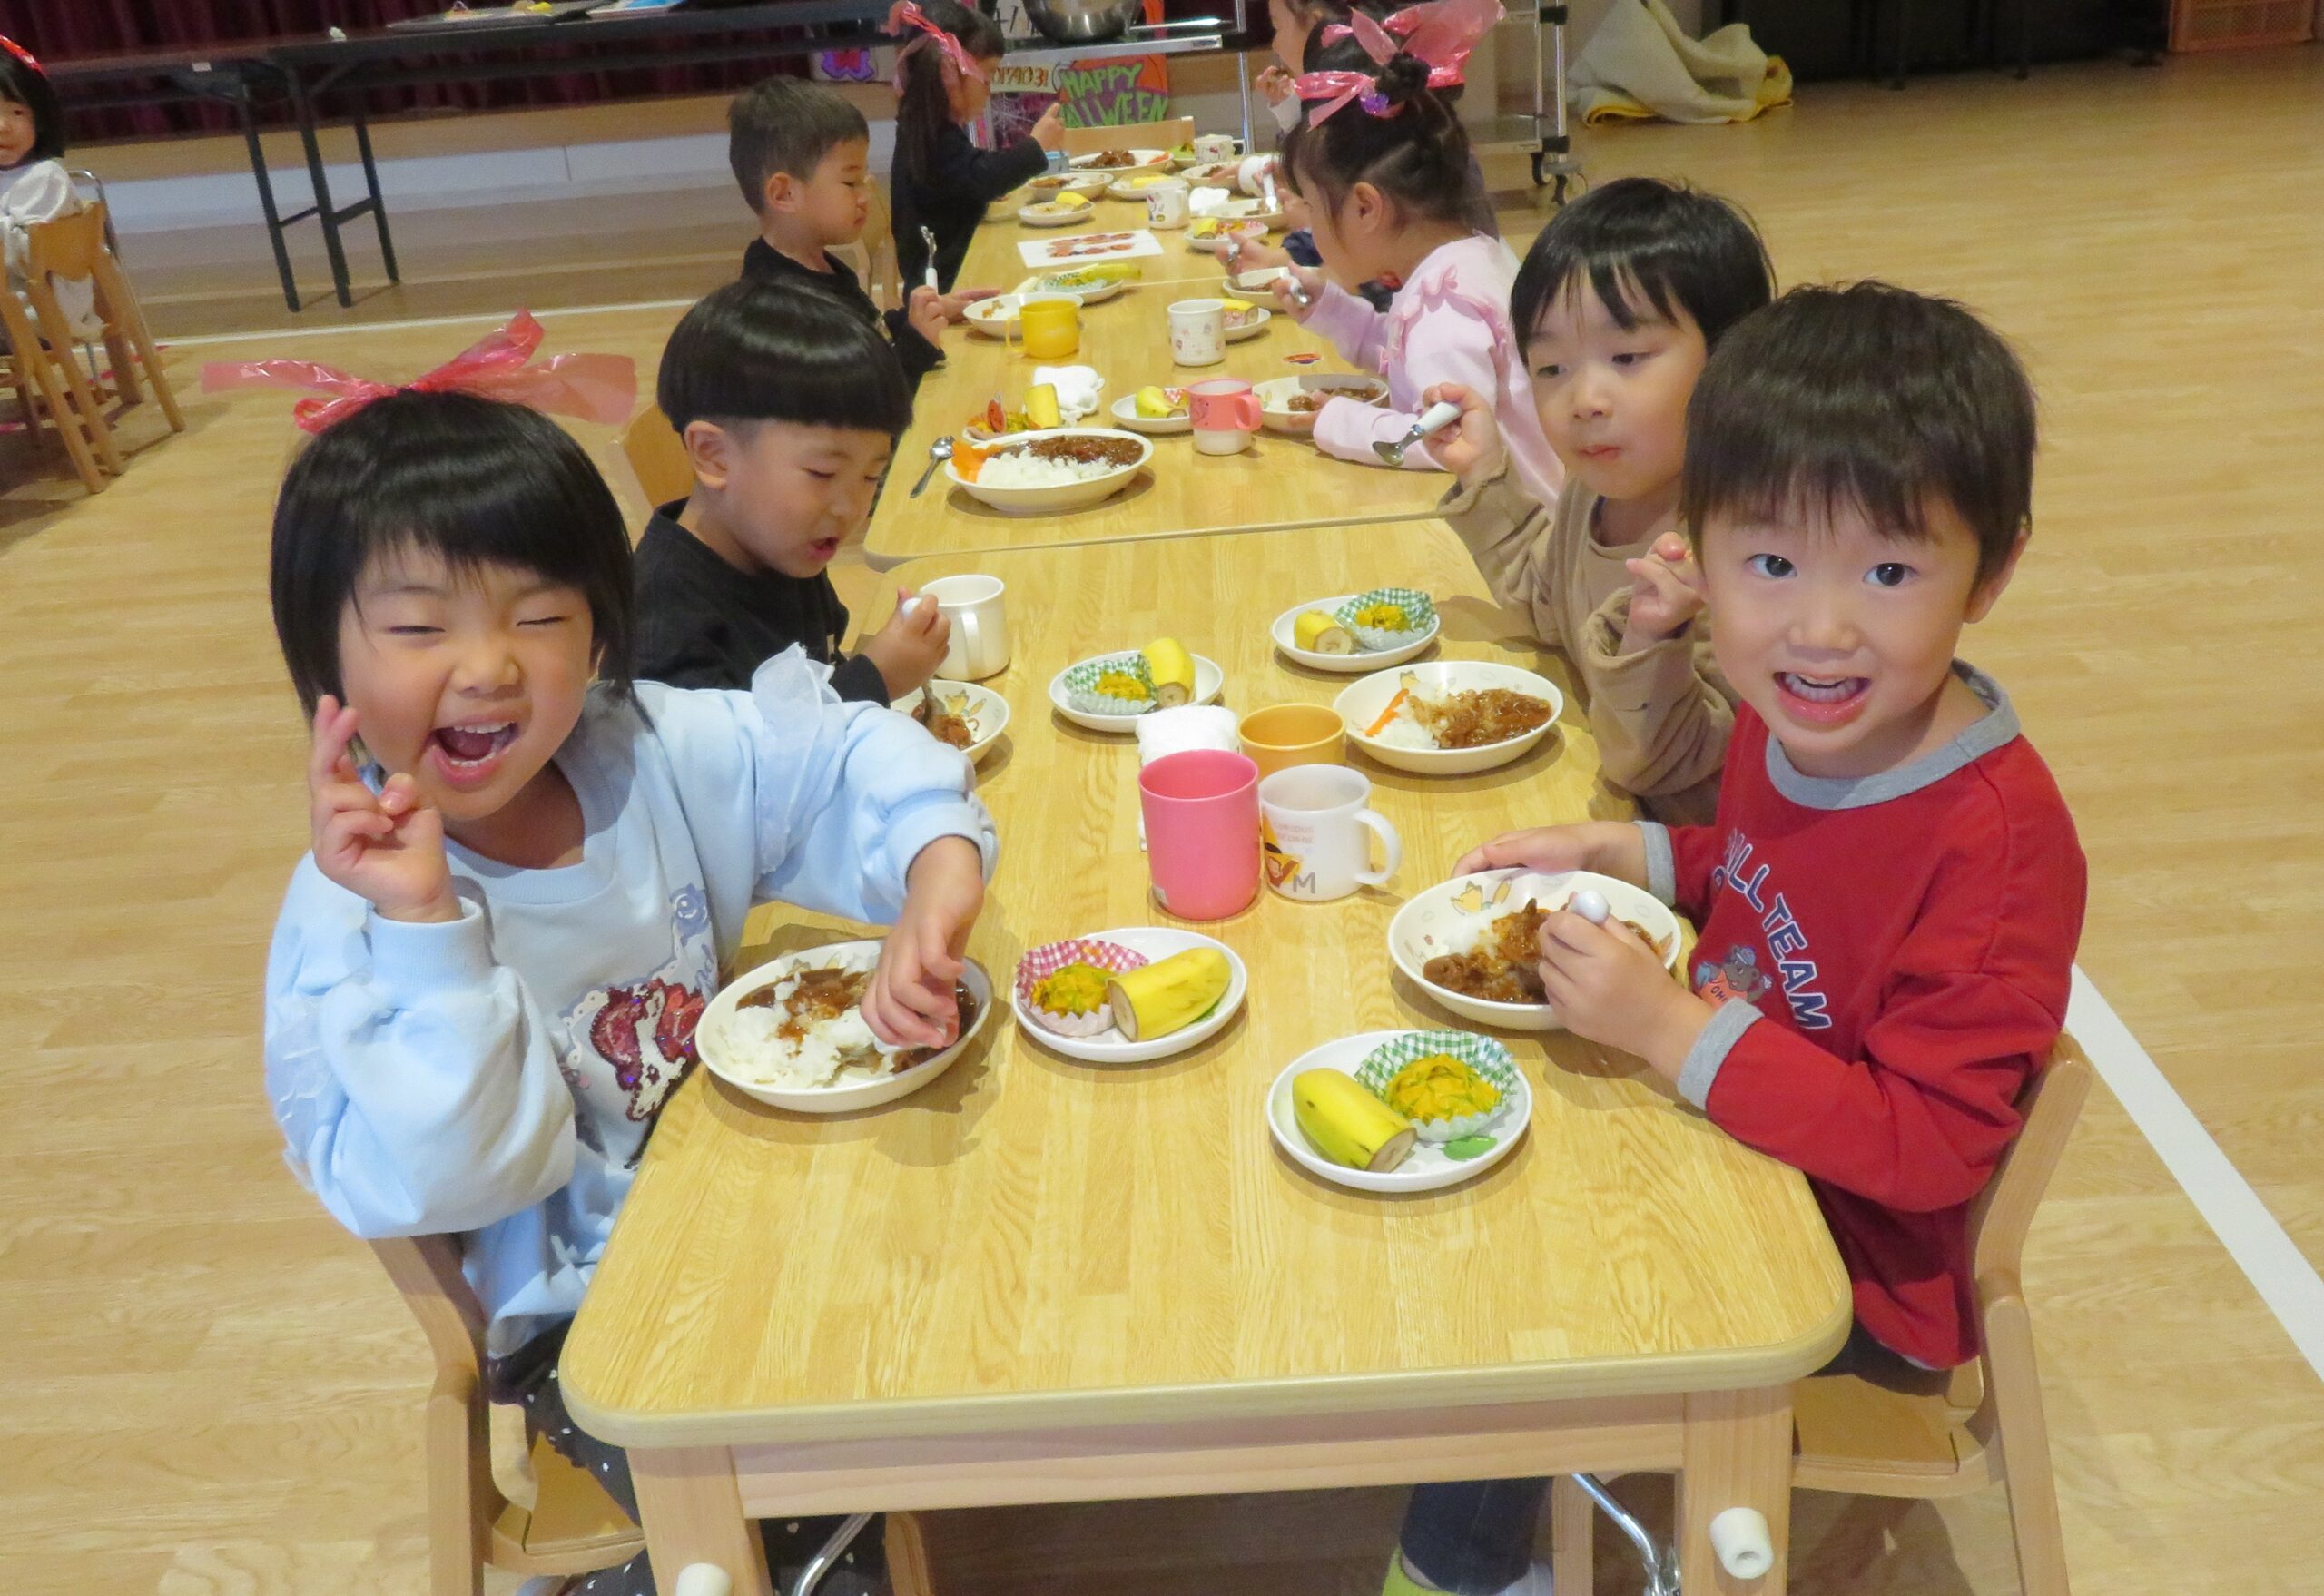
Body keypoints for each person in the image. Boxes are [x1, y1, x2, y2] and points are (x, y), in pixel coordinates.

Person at [1384, 281, 2086, 1596]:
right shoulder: (1799, 709)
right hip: (1736, 1143)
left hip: (1844, 1278)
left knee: (1515, 1306)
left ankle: (1455, 1574)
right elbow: (1761, 874)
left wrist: (1669, 1027)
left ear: (1991, 570)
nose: (1819, 628)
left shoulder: (1992, 846)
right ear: (1697, 552)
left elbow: (1928, 1148)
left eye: (1889, 571)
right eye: (1769, 566)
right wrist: (1637, 854)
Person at [261, 389, 996, 1596]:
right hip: (586, 1318)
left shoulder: (637, 746)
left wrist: (935, 860)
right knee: (808, 1517)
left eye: (540, 616)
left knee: (993, 1254)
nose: (489, 666)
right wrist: (427, 929)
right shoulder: (348, 930)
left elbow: (837, 750)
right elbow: (465, 1179)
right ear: (322, 656)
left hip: (746, 1185)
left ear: (601, 630)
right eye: (419, 625)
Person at [1423, 176, 1774, 823]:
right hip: (1614, 809)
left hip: (1706, 857)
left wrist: (1650, 635)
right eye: (1551, 368)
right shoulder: (1595, 492)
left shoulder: (1741, 553)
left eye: (1627, 356)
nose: (1584, 400)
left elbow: (1660, 763)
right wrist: (1484, 473)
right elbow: (1549, 604)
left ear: (1732, 362)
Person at [1269, 4, 1561, 505]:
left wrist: (1338, 420)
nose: (1310, 226)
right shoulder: (1468, 257)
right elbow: (1405, 355)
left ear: (1365, 208)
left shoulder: (1443, 311)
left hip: (1521, 535)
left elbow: (1443, 440)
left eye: (1313, 208)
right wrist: (1333, 310)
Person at [634, 279, 949, 702]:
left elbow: (820, 666)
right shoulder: (664, 634)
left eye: (871, 476)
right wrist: (876, 680)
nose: (849, 508)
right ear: (713, 455)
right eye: (822, 473)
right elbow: (747, 746)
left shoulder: (779, 541)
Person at [730, 74, 989, 389]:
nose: (864, 197)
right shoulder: (783, 311)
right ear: (784, 194)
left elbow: (867, 334)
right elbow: (862, 401)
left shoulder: (817, 265)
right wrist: (917, 345)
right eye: (850, 183)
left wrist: (917, 316)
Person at [1238, 0, 1497, 309]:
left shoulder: (1443, 313)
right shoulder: (1432, 272)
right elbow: (1389, 329)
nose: (1275, 44)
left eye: (1312, 206)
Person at [886, 0, 1064, 292]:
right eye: (988, 76)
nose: (989, 89)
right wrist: (1036, 145)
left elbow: (966, 176)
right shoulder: (930, 137)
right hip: (945, 289)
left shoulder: (923, 129)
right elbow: (982, 177)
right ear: (950, 72)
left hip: (953, 275)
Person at [0, 35, 96, 334]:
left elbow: (32, 257)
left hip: (39, 311)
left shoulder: (44, 177)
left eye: (17, 112)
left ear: (40, 118)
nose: (3, 127)